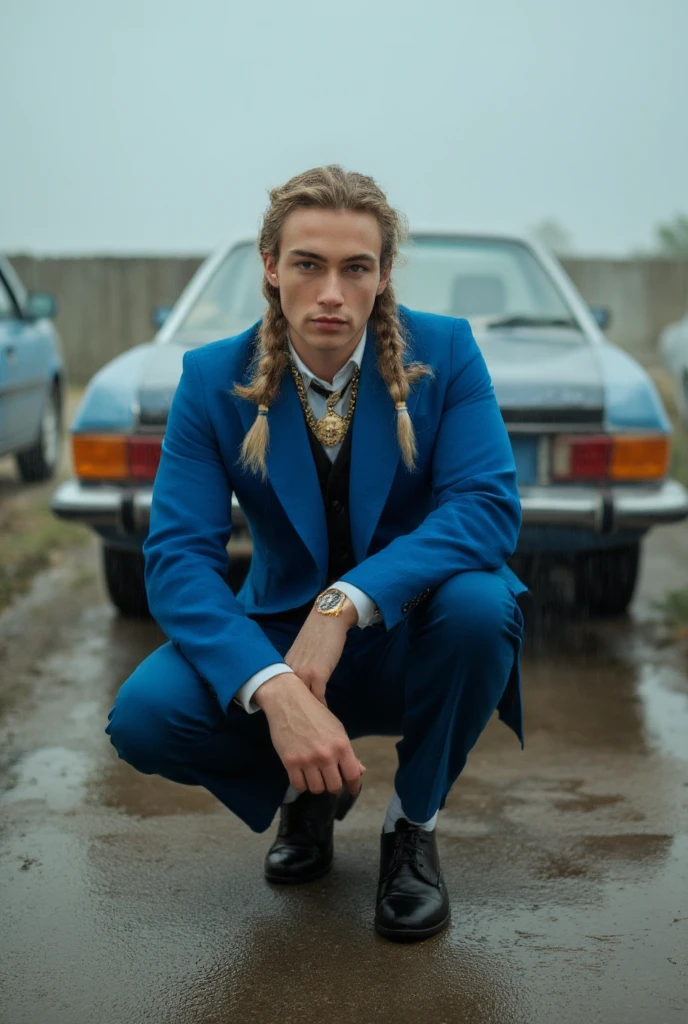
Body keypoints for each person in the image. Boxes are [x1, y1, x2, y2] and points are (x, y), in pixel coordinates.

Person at [106, 165, 526, 942]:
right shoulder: (209, 379)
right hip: (275, 634)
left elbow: (487, 508)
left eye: (354, 267)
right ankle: (307, 790)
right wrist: (270, 687)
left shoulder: (449, 352)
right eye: (308, 264)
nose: (331, 291)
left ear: (384, 274)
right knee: (145, 716)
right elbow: (177, 559)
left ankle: (412, 826)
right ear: (271, 268)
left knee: (480, 605)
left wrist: (344, 601)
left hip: (411, 632)